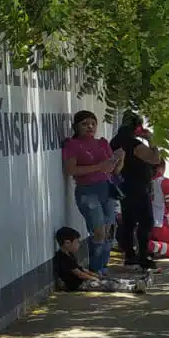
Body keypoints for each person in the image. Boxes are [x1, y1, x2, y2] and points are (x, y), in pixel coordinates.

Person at [61, 110, 124, 274]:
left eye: (93, 123)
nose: (90, 127)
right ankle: (95, 268)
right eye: (84, 124)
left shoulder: (102, 143)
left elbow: (114, 170)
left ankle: (103, 267)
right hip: (87, 191)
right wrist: (98, 167)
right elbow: (70, 169)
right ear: (76, 126)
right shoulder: (72, 144)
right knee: (98, 231)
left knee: (109, 231)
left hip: (107, 188)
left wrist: (119, 158)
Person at [111, 114, 162, 270]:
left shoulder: (114, 141)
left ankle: (130, 255)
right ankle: (142, 255)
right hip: (137, 187)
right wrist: (150, 139)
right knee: (145, 222)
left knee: (129, 221)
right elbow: (155, 159)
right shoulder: (132, 143)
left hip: (125, 185)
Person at [53, 227, 147, 293]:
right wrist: (93, 278)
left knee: (107, 279)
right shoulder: (63, 258)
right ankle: (132, 288)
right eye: (77, 242)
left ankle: (135, 282)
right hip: (78, 284)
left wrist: (94, 274)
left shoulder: (70, 254)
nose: (79, 244)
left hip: (83, 281)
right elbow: (79, 274)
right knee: (105, 285)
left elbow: (80, 269)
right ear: (67, 243)